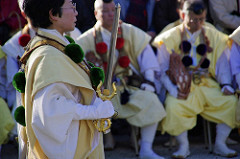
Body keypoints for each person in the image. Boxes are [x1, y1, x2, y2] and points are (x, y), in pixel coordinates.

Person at [18, 0, 115, 158]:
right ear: (53, 14)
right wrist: (94, 111)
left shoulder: (55, 46)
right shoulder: (48, 56)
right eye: (72, 7)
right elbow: (51, 111)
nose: (76, 12)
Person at [77, 0, 166, 158]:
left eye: (113, 10)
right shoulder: (85, 40)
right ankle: (105, 139)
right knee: (89, 104)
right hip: (101, 92)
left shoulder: (130, 31)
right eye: (105, 11)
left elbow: (146, 56)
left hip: (128, 87)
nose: (110, 14)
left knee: (151, 101)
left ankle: (145, 148)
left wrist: (150, 81)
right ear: (96, 14)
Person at [155, 0, 239, 158]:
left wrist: (226, 84)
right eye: (193, 20)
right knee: (173, 105)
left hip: (207, 82)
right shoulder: (169, 35)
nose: (198, 23)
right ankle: (183, 146)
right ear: (182, 15)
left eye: (201, 20)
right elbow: (161, 69)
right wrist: (172, 90)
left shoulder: (212, 33)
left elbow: (222, 63)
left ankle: (220, 144)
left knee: (231, 102)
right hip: (181, 85)